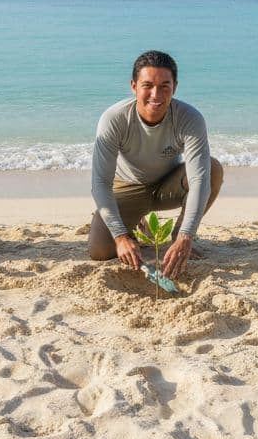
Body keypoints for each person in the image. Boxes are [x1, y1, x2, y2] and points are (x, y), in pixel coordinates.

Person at [89, 50, 224, 279]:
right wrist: (120, 236)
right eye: (147, 85)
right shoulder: (114, 119)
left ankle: (175, 238)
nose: (156, 94)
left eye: (164, 86)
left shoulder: (190, 118)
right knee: (99, 250)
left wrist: (186, 236)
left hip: (167, 183)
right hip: (127, 187)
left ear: (175, 86)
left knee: (212, 169)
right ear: (134, 86)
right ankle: (132, 225)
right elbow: (100, 182)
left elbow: (199, 179)